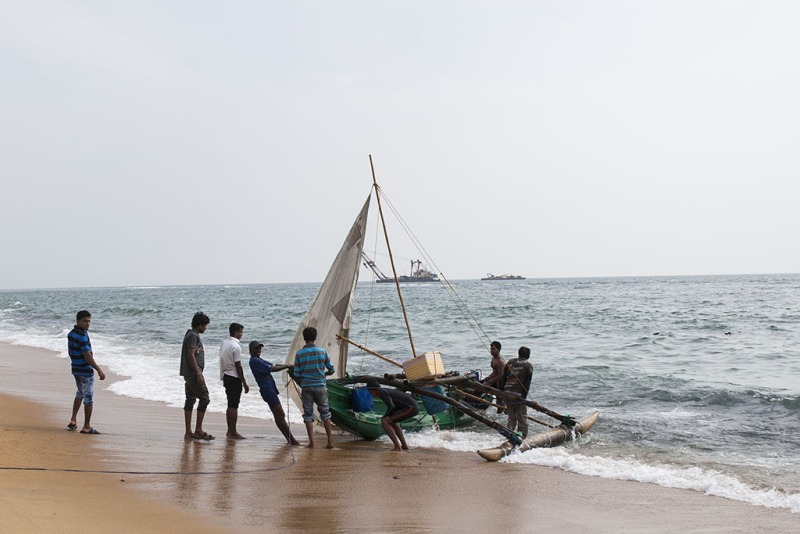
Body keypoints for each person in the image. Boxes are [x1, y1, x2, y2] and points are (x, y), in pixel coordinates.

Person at [248, 340, 300, 445]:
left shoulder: (259, 360)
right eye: (256, 348)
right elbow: (272, 369)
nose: (259, 350)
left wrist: (288, 365)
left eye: (260, 348)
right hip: (267, 390)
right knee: (280, 414)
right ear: (251, 350)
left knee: (278, 415)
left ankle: (289, 439)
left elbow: (274, 364)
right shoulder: (254, 361)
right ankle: (292, 440)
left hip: (269, 389)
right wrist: (287, 366)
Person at [293, 326, 335, 448]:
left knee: (308, 414)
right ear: (315, 337)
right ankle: (330, 441)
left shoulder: (299, 353)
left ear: (304, 338)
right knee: (325, 413)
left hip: (306, 387)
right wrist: (324, 374)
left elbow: (297, 374)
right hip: (320, 386)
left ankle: (311, 443)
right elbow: (331, 369)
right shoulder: (322, 351)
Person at [67, 310, 106, 434]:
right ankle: (87, 426)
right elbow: (87, 355)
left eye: (89, 321)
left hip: (76, 369)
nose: (87, 324)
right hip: (84, 370)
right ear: (78, 321)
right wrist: (99, 369)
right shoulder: (82, 336)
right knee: (88, 398)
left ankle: (73, 420)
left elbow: (70, 351)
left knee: (80, 393)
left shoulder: (71, 333)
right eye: (85, 321)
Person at [180, 312, 214, 440]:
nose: (205, 328)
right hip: (193, 374)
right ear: (199, 325)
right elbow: (190, 355)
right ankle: (198, 430)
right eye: (205, 326)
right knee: (204, 398)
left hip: (189, 374)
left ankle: (189, 432)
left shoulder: (190, 334)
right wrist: (198, 373)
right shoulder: (193, 336)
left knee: (190, 399)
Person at [365, 378, 419, 452]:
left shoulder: (381, 392)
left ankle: (397, 447)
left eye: (370, 392)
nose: (371, 394)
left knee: (385, 421)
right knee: (391, 422)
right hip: (410, 407)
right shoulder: (383, 390)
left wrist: (386, 416)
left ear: (372, 390)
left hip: (411, 408)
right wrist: (388, 416)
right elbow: (393, 406)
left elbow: (391, 406)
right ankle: (404, 446)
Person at [219, 322, 250, 439]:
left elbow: (222, 360)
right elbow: (238, 366)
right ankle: (233, 431)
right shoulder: (236, 346)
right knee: (234, 405)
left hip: (226, 375)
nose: (241, 334)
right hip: (233, 377)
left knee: (230, 404)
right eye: (241, 332)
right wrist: (244, 382)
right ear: (236, 332)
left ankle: (229, 430)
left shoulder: (224, 343)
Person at [498, 346, 534, 438]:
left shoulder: (510, 362)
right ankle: (522, 437)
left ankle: (509, 435)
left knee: (511, 417)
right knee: (522, 417)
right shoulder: (528, 366)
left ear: (519, 354)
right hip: (518, 395)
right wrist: (524, 397)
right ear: (528, 356)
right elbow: (527, 383)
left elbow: (503, 378)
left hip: (507, 393)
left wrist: (501, 392)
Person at [481, 340, 506, 412]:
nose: (491, 351)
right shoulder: (493, 358)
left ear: (499, 350)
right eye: (491, 349)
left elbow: (501, 375)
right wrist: (488, 378)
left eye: (493, 349)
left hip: (500, 382)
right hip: (494, 380)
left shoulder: (500, 361)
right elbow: (494, 372)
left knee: (500, 399)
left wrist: (490, 382)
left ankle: (503, 413)